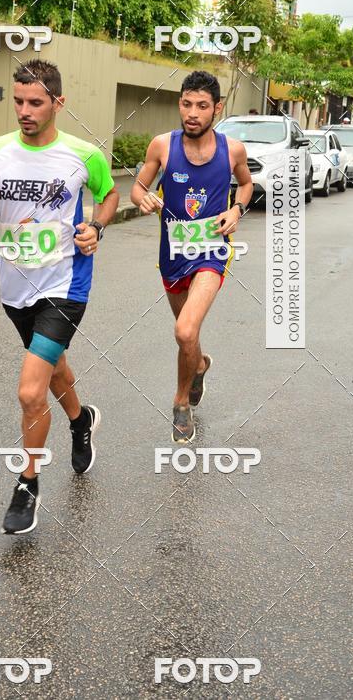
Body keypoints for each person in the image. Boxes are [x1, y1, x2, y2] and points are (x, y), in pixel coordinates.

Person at [0, 59, 119, 534]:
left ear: (58, 103)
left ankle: (27, 483)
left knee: (30, 389)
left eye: (35, 102)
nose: (25, 111)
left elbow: (110, 194)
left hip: (65, 284)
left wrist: (95, 225)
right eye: (18, 101)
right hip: (14, 286)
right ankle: (81, 419)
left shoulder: (83, 155)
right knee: (51, 365)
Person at [130, 71, 253, 443]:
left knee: (185, 329)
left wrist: (236, 211)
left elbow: (246, 185)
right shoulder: (161, 147)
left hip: (212, 254)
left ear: (217, 108)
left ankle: (181, 402)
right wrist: (144, 198)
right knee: (189, 339)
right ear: (179, 104)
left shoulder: (232, 150)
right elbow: (138, 186)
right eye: (186, 104)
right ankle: (198, 366)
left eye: (202, 106)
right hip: (172, 256)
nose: (193, 113)